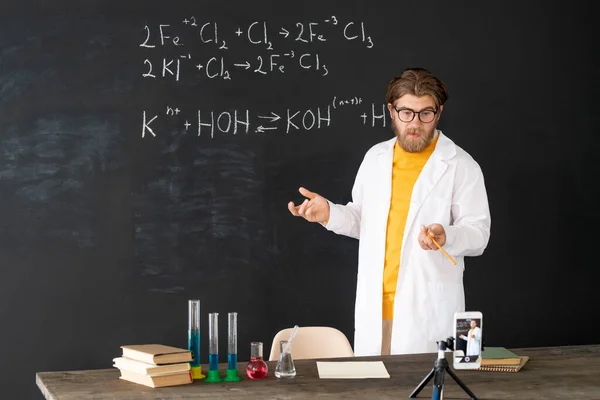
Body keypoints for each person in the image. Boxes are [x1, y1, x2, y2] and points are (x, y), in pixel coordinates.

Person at [288, 67, 491, 356]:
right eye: (406, 112)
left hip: (427, 310)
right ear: (392, 111)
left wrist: (447, 235)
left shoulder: (461, 165)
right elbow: (364, 221)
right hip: (376, 308)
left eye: (425, 113)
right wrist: (329, 213)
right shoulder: (376, 158)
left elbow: (479, 234)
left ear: (439, 112)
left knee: (428, 388)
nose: (415, 123)